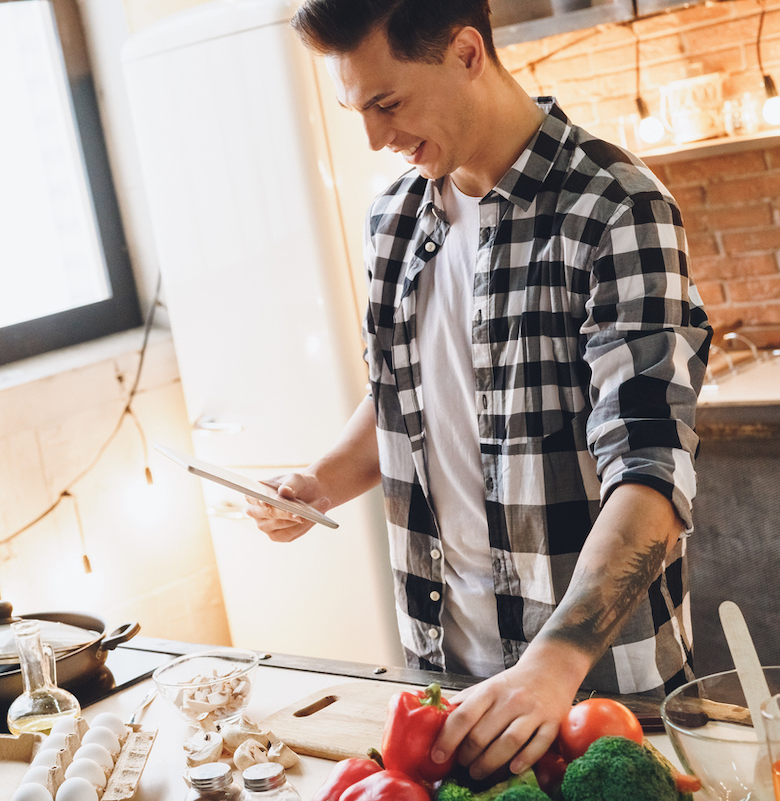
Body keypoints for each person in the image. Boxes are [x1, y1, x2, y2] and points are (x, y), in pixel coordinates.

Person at [244, 0, 712, 782]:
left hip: (594, 694)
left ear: (466, 53)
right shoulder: (393, 219)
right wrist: (319, 482)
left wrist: (553, 661)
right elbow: (400, 400)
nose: (373, 138)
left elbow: (652, 472)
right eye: (356, 109)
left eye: (387, 103)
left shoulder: (616, 208)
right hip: (446, 690)